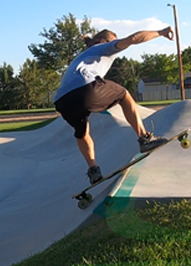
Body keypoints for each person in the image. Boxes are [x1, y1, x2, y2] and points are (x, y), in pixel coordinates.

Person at [53, 27, 175, 185]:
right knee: (124, 95)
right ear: (104, 41)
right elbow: (133, 39)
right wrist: (161, 33)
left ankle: (93, 169)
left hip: (62, 101)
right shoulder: (102, 47)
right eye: (113, 42)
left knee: (82, 132)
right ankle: (145, 139)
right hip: (85, 88)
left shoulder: (83, 58)